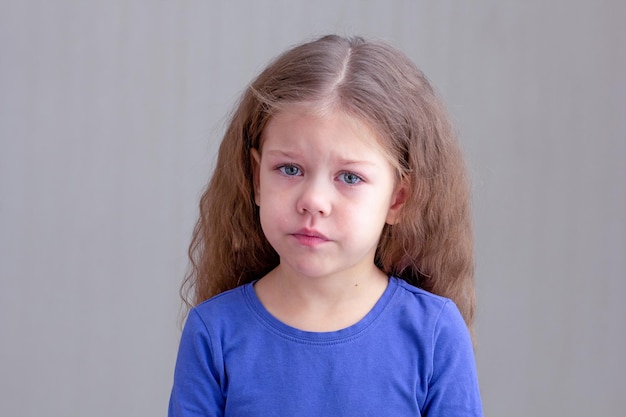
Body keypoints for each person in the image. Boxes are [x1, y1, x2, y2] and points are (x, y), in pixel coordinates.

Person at [169, 34, 483, 416]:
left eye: (349, 177)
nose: (313, 201)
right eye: (289, 169)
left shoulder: (434, 333)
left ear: (398, 198)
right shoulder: (213, 331)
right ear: (255, 179)